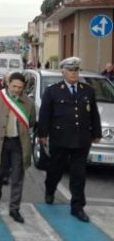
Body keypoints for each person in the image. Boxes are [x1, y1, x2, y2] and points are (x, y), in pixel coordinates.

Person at [38, 57, 101, 223]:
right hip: (60, 139)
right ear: (63, 72)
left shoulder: (87, 90)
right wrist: (42, 135)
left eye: (76, 70)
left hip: (81, 139)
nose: (74, 73)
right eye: (71, 70)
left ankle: (77, 207)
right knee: (55, 170)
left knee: (78, 174)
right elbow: (45, 115)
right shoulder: (52, 91)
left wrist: (97, 133)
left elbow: (93, 113)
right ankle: (50, 189)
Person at [0, 72, 35, 223]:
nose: (17, 90)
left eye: (20, 87)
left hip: (18, 143)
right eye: (14, 86)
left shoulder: (28, 103)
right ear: (8, 84)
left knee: (18, 176)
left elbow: (31, 122)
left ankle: (14, 209)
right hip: (1, 142)